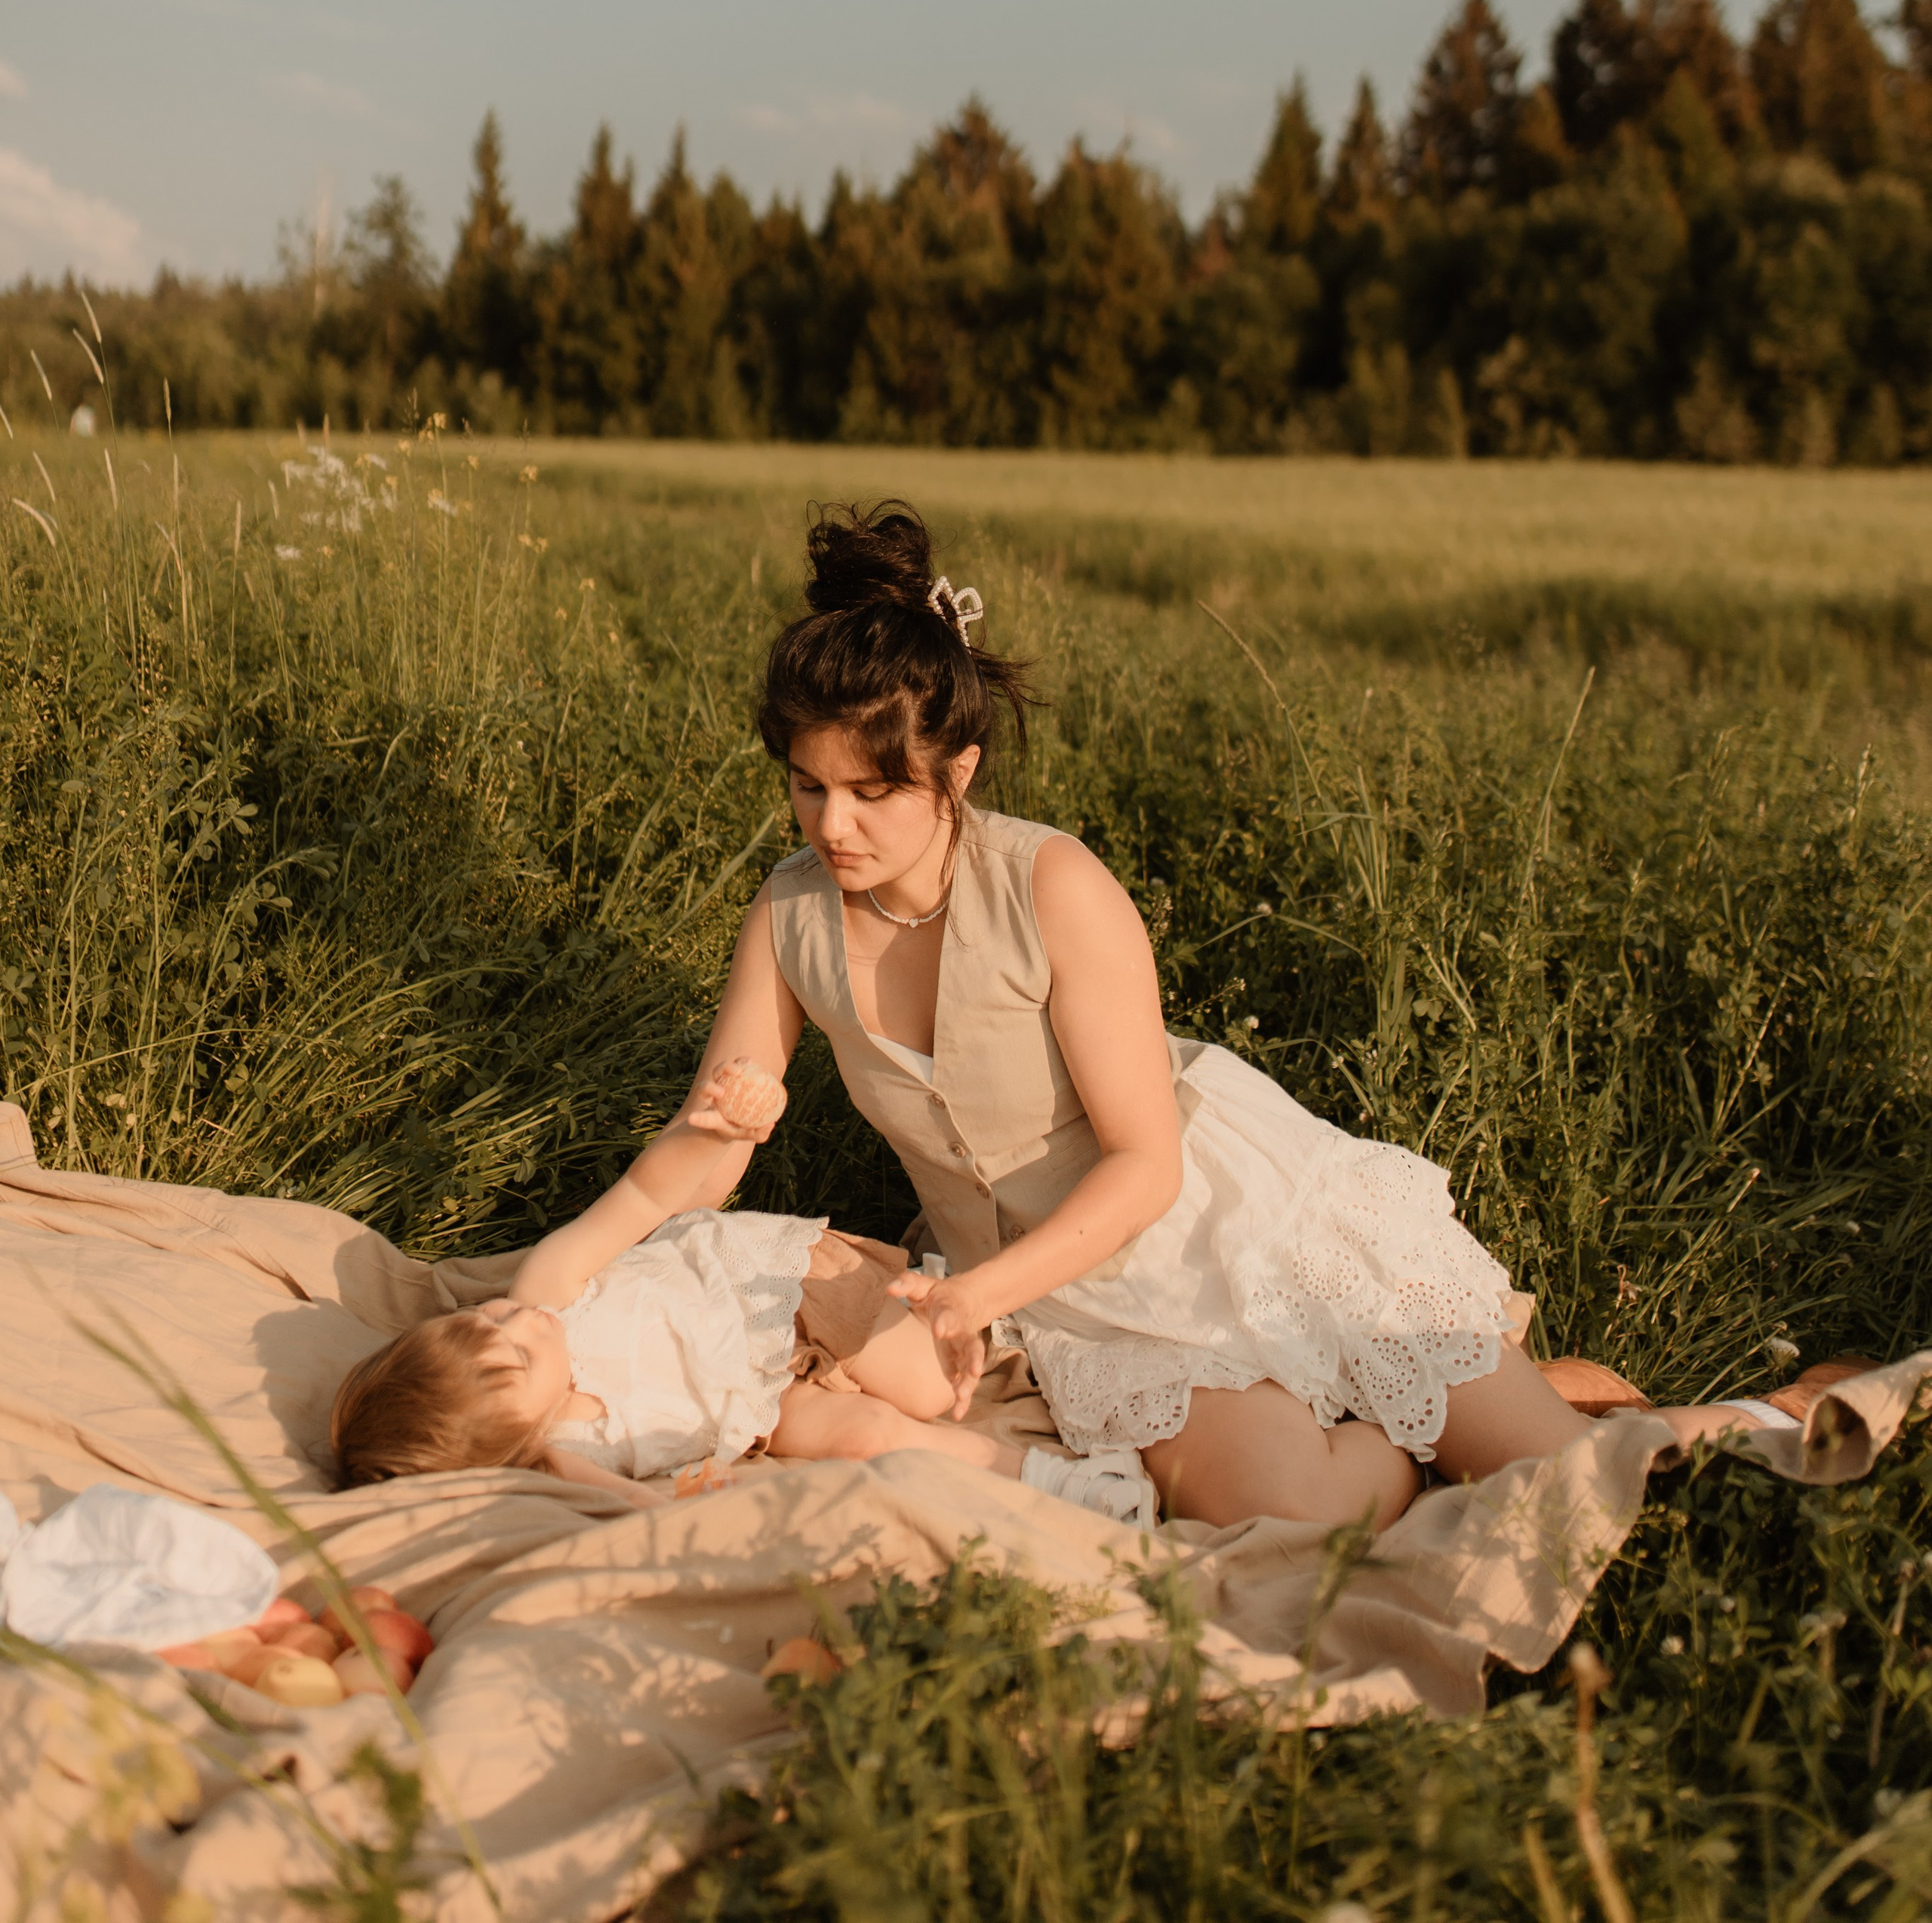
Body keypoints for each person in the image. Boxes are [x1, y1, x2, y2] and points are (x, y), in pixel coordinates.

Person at [510, 503, 1797, 1537]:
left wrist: (967, 1308)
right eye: (805, 788)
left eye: (869, 792)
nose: (830, 826)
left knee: (1556, 1476)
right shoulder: (787, 921)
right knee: (1285, 1509)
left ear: (954, 772)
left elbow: (1145, 1165)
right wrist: (560, 1279)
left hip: (1205, 1222)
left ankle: (1775, 1414)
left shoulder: (1053, 886)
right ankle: (1421, 1431)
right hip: (1071, 1306)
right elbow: (710, 1145)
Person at [331, 1191, 1156, 1522]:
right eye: (515, 1355)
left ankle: (941, 1271)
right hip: (760, 1405)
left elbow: (638, 1199)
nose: (521, 1321)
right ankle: (1075, 1489)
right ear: (512, 1437)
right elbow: (637, 1507)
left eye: (493, 1314)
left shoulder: (550, 1293)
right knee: (872, 1437)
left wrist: (712, 1131)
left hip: (777, 1291)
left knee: (937, 1387)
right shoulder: (561, 1452)